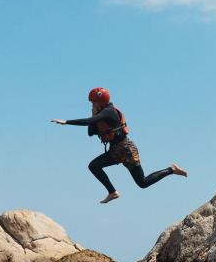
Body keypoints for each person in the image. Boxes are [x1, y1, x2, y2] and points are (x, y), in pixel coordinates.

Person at [51, 87, 187, 204]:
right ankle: (113, 192)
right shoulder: (101, 114)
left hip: (126, 149)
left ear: (100, 102)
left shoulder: (109, 112)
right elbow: (90, 132)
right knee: (93, 166)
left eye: (93, 102)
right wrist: (93, 114)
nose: (92, 105)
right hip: (115, 151)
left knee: (143, 183)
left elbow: (88, 122)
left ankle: (171, 169)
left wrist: (66, 122)